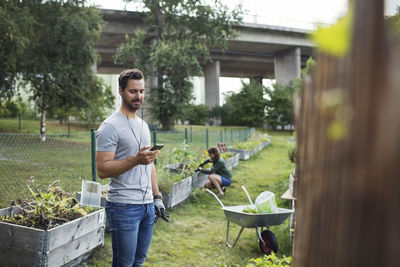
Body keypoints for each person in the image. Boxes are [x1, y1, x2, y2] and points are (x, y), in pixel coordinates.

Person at [96, 69, 169, 267]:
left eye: (142, 91)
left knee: (138, 262)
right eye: (133, 91)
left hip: (147, 207)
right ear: (120, 91)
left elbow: (149, 164)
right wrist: (135, 160)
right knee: (124, 264)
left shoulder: (143, 125)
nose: (139, 97)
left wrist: (157, 198)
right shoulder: (109, 127)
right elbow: (102, 170)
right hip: (124, 207)